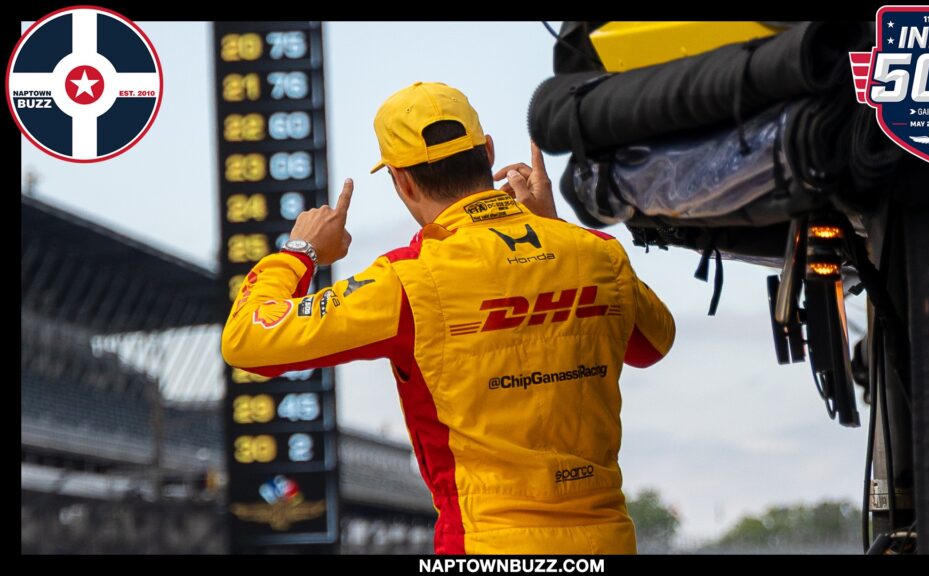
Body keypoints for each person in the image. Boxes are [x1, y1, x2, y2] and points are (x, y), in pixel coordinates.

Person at [222, 81, 676, 554]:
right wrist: (552, 231)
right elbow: (654, 343)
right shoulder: (597, 254)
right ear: (487, 150)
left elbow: (247, 340)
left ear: (402, 181)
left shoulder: (409, 281)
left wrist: (301, 252)